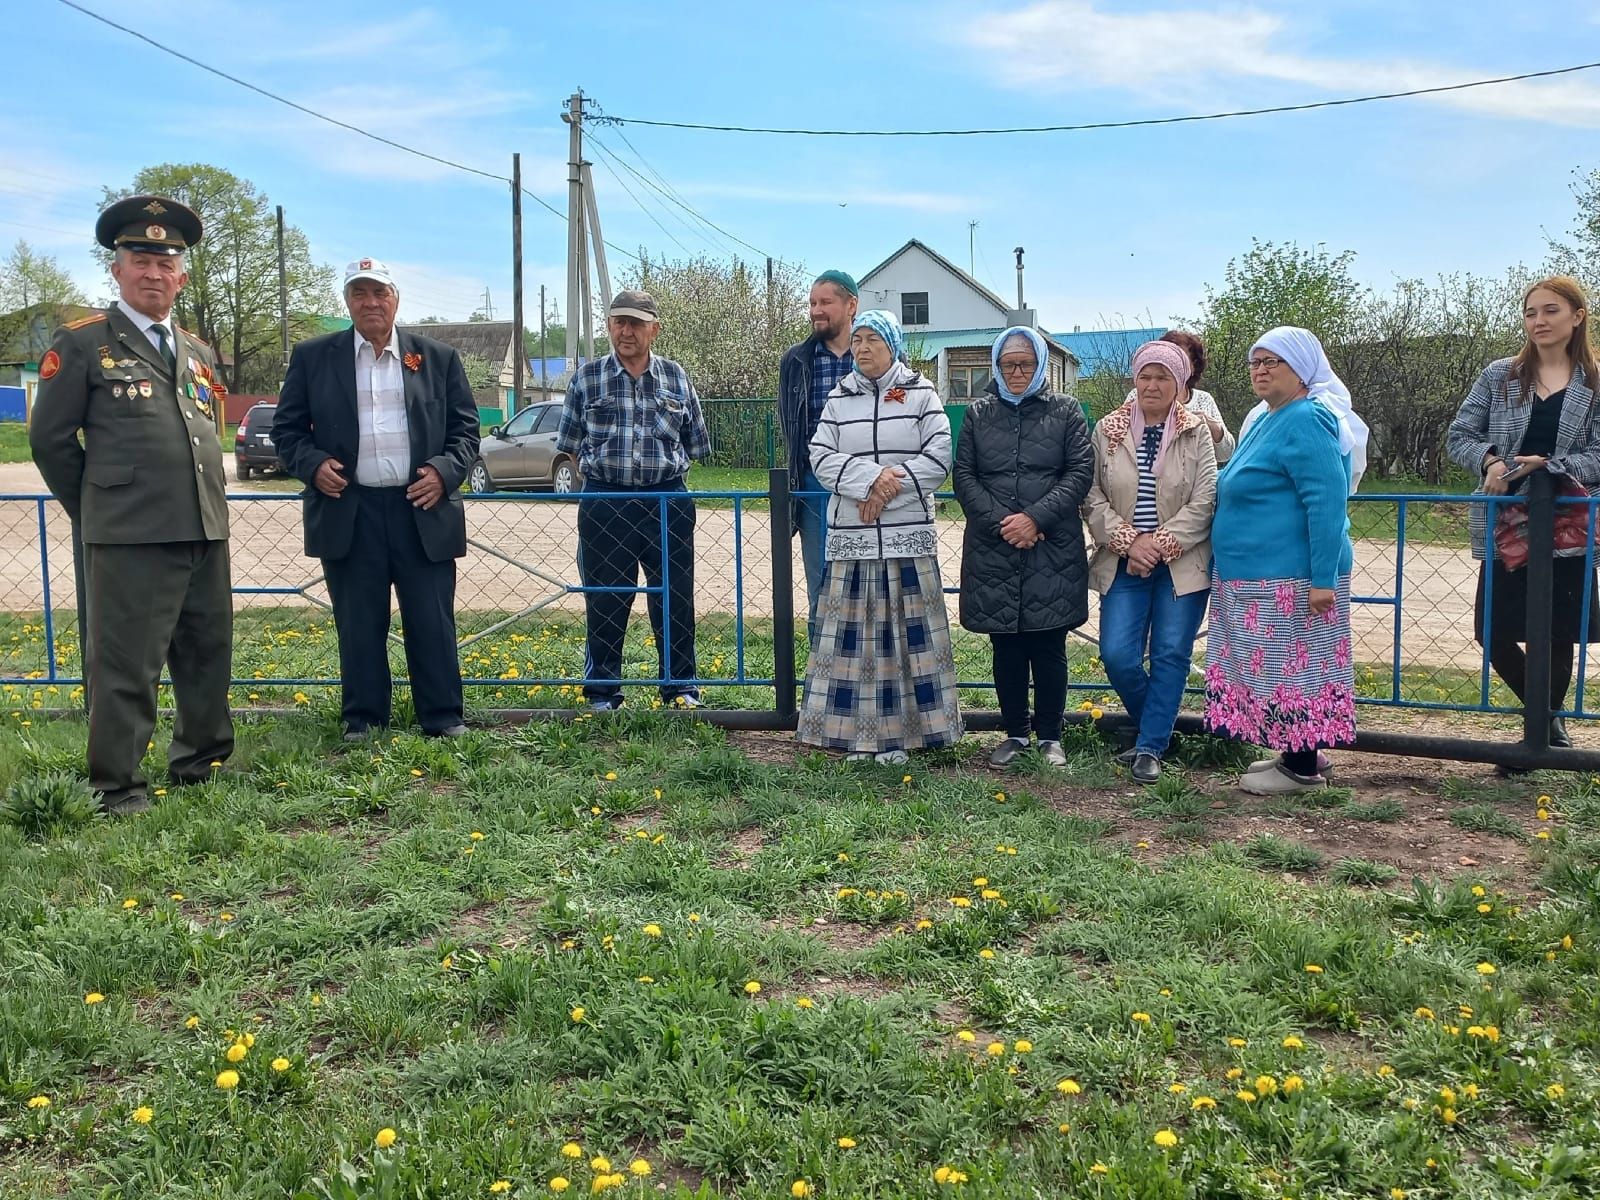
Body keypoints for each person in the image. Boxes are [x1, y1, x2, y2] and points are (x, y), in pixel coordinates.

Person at [28, 196, 231, 816]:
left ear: (182, 276)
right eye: (139, 259)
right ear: (116, 269)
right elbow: (50, 440)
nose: (153, 273)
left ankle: (202, 762)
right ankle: (116, 785)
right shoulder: (85, 343)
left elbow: (202, 431)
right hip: (129, 535)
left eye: (166, 263)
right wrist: (95, 510)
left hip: (202, 525)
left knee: (206, 652)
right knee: (126, 664)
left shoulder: (194, 349)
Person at [272, 258, 479, 740]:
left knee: (431, 619)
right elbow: (286, 431)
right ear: (347, 301)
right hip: (350, 509)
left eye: (379, 293)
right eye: (360, 293)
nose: (371, 302)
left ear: (396, 299)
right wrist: (313, 464)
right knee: (359, 623)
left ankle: (443, 717)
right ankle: (363, 720)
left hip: (421, 509)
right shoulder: (314, 357)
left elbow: (466, 432)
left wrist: (444, 472)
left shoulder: (437, 358)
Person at [798, 310, 963, 762]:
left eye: (873, 339)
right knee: (858, 641)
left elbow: (939, 456)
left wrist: (891, 487)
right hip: (855, 533)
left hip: (906, 535)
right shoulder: (840, 397)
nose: (863, 348)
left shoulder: (921, 393)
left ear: (893, 344)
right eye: (858, 340)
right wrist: (871, 481)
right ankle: (855, 737)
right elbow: (821, 457)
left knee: (904, 641)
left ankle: (906, 738)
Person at [1446, 275, 1600, 753]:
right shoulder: (1500, 375)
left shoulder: (1595, 381)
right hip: (1508, 524)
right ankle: (1549, 726)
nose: (1539, 321)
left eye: (1551, 311)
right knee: (1491, 630)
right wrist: (1493, 460)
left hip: (1569, 522)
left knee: (1557, 634)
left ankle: (1537, 739)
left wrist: (1551, 467)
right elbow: (1459, 436)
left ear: (1577, 316)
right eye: (1531, 312)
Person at [1205, 327, 1356, 793]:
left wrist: (1322, 578)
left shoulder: (1309, 418)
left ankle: (1302, 769)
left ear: (1303, 369)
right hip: (1256, 577)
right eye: (1256, 362)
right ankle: (1295, 752)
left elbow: (1327, 502)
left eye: (1274, 362)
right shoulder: (1273, 416)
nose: (1262, 370)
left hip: (1292, 577)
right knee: (1276, 671)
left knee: (1297, 669)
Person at [556, 289, 710, 711]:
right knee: (605, 596)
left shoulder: (677, 377)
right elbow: (570, 446)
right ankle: (602, 692)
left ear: (654, 329)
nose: (626, 331)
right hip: (606, 500)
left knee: (675, 597)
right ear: (609, 326)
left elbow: (696, 444)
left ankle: (679, 688)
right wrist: (605, 479)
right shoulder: (587, 379)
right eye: (619, 322)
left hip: (667, 501)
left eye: (636, 323)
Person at [954, 326, 1094, 768]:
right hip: (994, 548)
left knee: (1049, 645)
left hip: (1050, 545)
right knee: (1007, 647)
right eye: (1008, 364)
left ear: (1040, 366)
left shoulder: (1066, 412)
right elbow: (964, 477)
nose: (1016, 371)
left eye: (1025, 363)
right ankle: (1015, 732)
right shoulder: (979, 414)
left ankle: (1050, 736)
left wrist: (1035, 519)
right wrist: (1005, 524)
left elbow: (1079, 472)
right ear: (996, 366)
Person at [1086, 340, 1218, 783]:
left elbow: (1205, 498)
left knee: (1170, 653)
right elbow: (1092, 495)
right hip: (1124, 561)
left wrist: (1158, 545)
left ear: (1181, 384)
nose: (1152, 385)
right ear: (1134, 380)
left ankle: (1149, 747)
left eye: (1164, 377)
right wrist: (1130, 543)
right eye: (1145, 375)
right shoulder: (1109, 429)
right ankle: (1159, 730)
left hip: (1181, 564)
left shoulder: (1195, 429)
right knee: (1118, 654)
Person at [779, 270, 858, 627]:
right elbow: (789, 427)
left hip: (868, 488)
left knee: (870, 585)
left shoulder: (874, 353)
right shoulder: (796, 361)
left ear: (851, 305)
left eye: (825, 302)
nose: (816, 310)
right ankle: (823, 680)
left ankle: (870, 679)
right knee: (823, 588)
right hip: (815, 488)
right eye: (812, 303)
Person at [1123, 330, 1234, 463]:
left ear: (1193, 366)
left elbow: (1225, 454)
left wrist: (1211, 426)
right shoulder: (1138, 395)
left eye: (1181, 358)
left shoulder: (1204, 400)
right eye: (1167, 357)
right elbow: (1120, 439)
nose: (1173, 363)